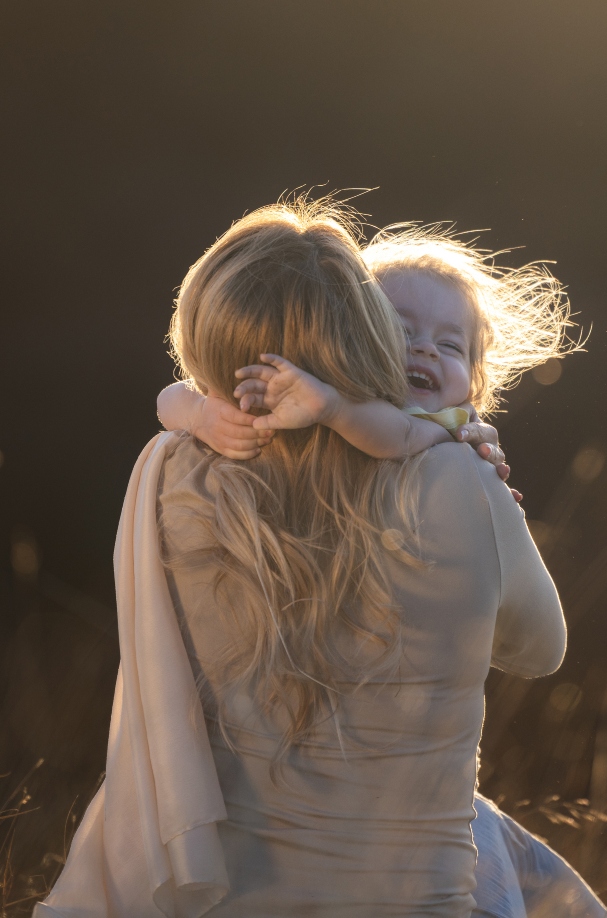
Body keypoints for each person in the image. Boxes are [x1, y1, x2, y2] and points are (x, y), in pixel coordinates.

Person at [36, 197, 575, 918]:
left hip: (224, 895)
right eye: (402, 330)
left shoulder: (172, 472)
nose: (422, 352)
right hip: (416, 899)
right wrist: (489, 519)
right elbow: (540, 651)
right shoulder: (465, 475)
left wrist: (202, 412)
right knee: (515, 864)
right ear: (364, 334)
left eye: (450, 345)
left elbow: (177, 400)